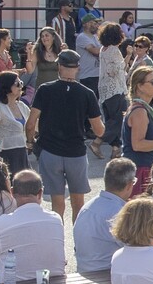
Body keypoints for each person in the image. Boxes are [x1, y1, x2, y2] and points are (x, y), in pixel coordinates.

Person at [25, 49, 105, 222]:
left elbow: (31, 123)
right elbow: (99, 130)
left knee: (57, 204)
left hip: (50, 151)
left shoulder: (45, 90)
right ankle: (78, 243)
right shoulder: (87, 94)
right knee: (78, 203)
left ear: (59, 66)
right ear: (77, 68)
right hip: (76, 152)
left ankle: (57, 240)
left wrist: (30, 142)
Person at [71, 156, 134, 275]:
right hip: (106, 275)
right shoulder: (120, 212)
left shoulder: (88, 207)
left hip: (83, 272)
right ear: (129, 185)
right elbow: (137, 248)